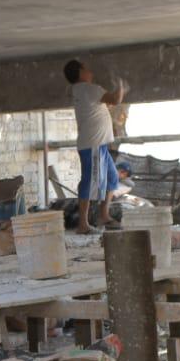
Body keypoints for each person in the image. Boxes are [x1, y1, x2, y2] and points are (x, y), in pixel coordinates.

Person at [63, 59, 127, 234]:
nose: (90, 71)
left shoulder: (79, 90)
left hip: (98, 145)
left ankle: (103, 216)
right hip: (93, 146)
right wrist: (121, 83)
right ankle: (83, 225)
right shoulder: (90, 89)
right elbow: (115, 99)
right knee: (89, 182)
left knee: (112, 179)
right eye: (86, 68)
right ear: (80, 73)